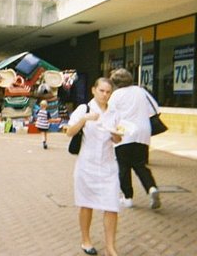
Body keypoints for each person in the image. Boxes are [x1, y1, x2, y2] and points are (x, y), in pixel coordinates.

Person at [66, 77, 121, 256]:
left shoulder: (114, 112)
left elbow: (118, 138)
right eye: (101, 91)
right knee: (86, 204)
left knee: (112, 205)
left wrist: (116, 135)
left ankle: (110, 247)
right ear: (93, 90)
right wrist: (84, 119)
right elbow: (69, 132)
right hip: (87, 165)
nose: (104, 95)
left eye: (108, 92)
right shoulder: (84, 109)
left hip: (108, 166)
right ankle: (85, 239)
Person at [108, 68, 161, 210]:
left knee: (123, 166)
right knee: (140, 164)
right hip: (142, 133)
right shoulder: (141, 91)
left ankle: (128, 198)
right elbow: (155, 109)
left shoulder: (116, 95)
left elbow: (110, 115)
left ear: (115, 82)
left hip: (123, 133)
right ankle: (151, 188)